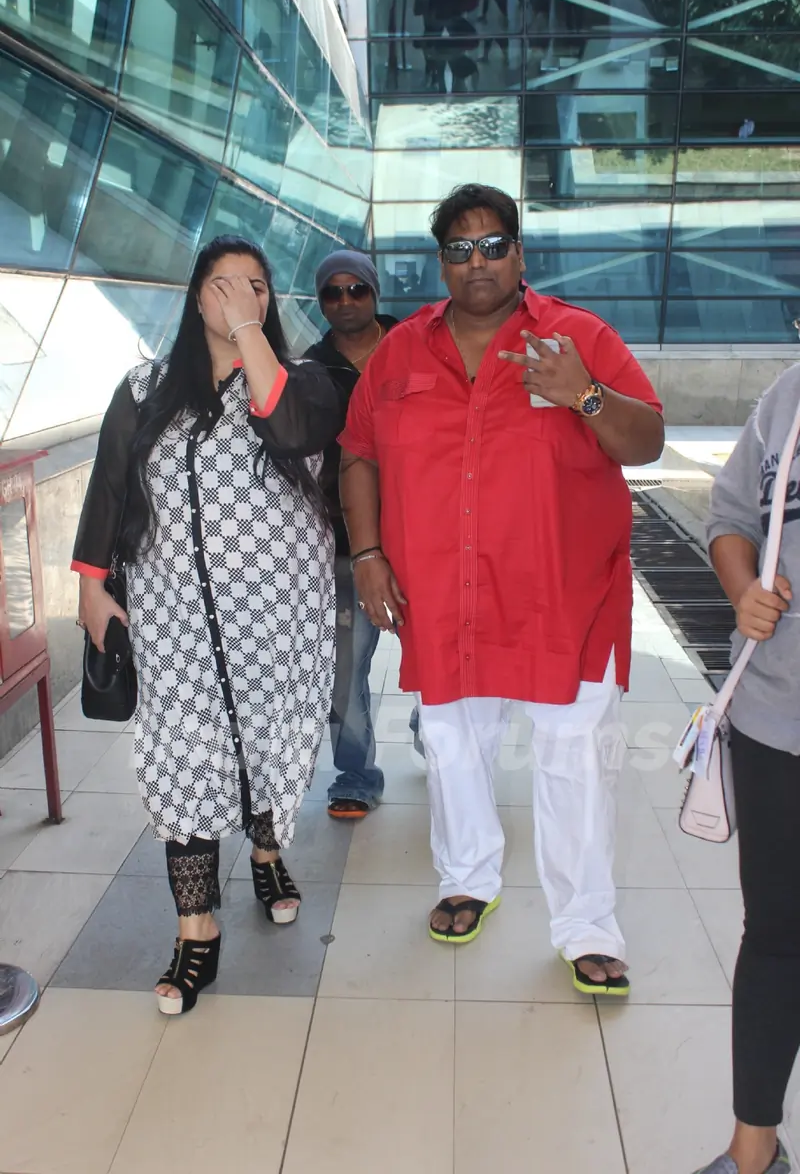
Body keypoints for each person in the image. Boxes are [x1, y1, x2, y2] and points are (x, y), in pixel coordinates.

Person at [338, 184, 664, 994]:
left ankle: (587, 925)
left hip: (564, 599)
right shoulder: (400, 352)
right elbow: (358, 454)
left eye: (492, 246)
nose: (476, 262)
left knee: (574, 763)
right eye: (458, 248)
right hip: (446, 600)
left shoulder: (577, 337)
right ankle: (466, 879)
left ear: (519, 254)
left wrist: (582, 394)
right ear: (440, 262)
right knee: (452, 748)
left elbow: (648, 439)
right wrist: (368, 552)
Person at [72, 235, 345, 1016]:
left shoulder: (309, 381)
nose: (234, 296)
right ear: (194, 298)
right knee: (184, 761)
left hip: (277, 619)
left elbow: (290, 430)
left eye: (253, 286)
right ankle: (197, 932)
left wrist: (250, 337)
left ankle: (265, 852)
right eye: (219, 284)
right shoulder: (146, 388)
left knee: (262, 743)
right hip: (172, 619)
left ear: (268, 303)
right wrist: (93, 585)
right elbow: (111, 484)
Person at [690, 364, 800, 1173]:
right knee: (775, 938)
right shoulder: (788, 397)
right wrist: (741, 589)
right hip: (774, 718)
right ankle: (752, 1152)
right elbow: (729, 516)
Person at [304, 252, 398, 820]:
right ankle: (356, 774)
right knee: (347, 664)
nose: (345, 302)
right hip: (346, 546)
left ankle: (437, 732)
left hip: (427, 535)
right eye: (332, 293)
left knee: (447, 658)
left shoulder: (416, 347)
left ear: (375, 292)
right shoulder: (309, 371)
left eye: (356, 290)